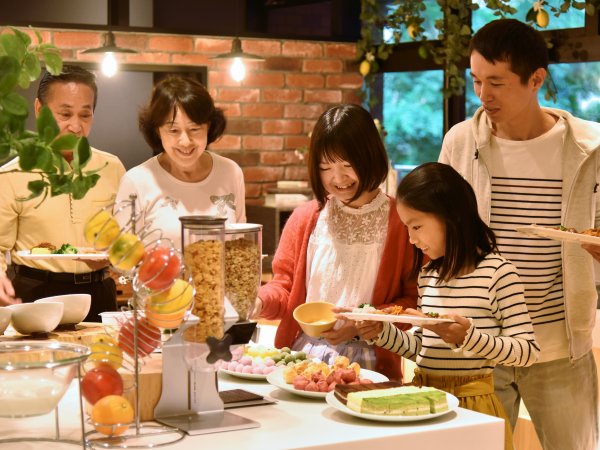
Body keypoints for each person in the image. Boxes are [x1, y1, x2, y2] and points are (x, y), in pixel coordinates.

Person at [438, 18, 600, 450]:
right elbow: (442, 232)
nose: (483, 95)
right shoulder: (460, 142)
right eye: (475, 81)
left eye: (497, 82)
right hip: (482, 341)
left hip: (559, 345)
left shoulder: (590, 149)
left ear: (536, 79)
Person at [354, 162, 539, 450]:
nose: (412, 239)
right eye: (407, 228)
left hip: (474, 405)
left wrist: (468, 338)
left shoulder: (498, 273)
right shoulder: (428, 275)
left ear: (452, 217)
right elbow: (421, 349)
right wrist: (381, 331)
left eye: (416, 226)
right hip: (423, 398)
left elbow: (527, 351)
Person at [250, 104, 418, 381]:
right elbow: (284, 288)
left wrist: (365, 322)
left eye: (347, 166)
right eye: (326, 167)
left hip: (370, 366)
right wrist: (258, 301)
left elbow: (412, 302)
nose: (337, 179)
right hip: (302, 362)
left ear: (370, 157)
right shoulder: (306, 218)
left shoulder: (401, 222)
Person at [0, 65, 125, 320]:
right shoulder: (12, 174)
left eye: (85, 115)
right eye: (65, 114)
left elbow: (126, 235)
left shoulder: (112, 168)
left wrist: (115, 255)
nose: (76, 126)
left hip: (99, 292)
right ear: (39, 110)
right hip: (36, 292)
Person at [114, 75, 245, 248]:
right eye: (174, 130)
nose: (185, 141)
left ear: (209, 127)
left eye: (194, 129)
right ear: (157, 131)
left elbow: (240, 245)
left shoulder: (230, 172)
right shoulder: (136, 181)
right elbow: (123, 261)